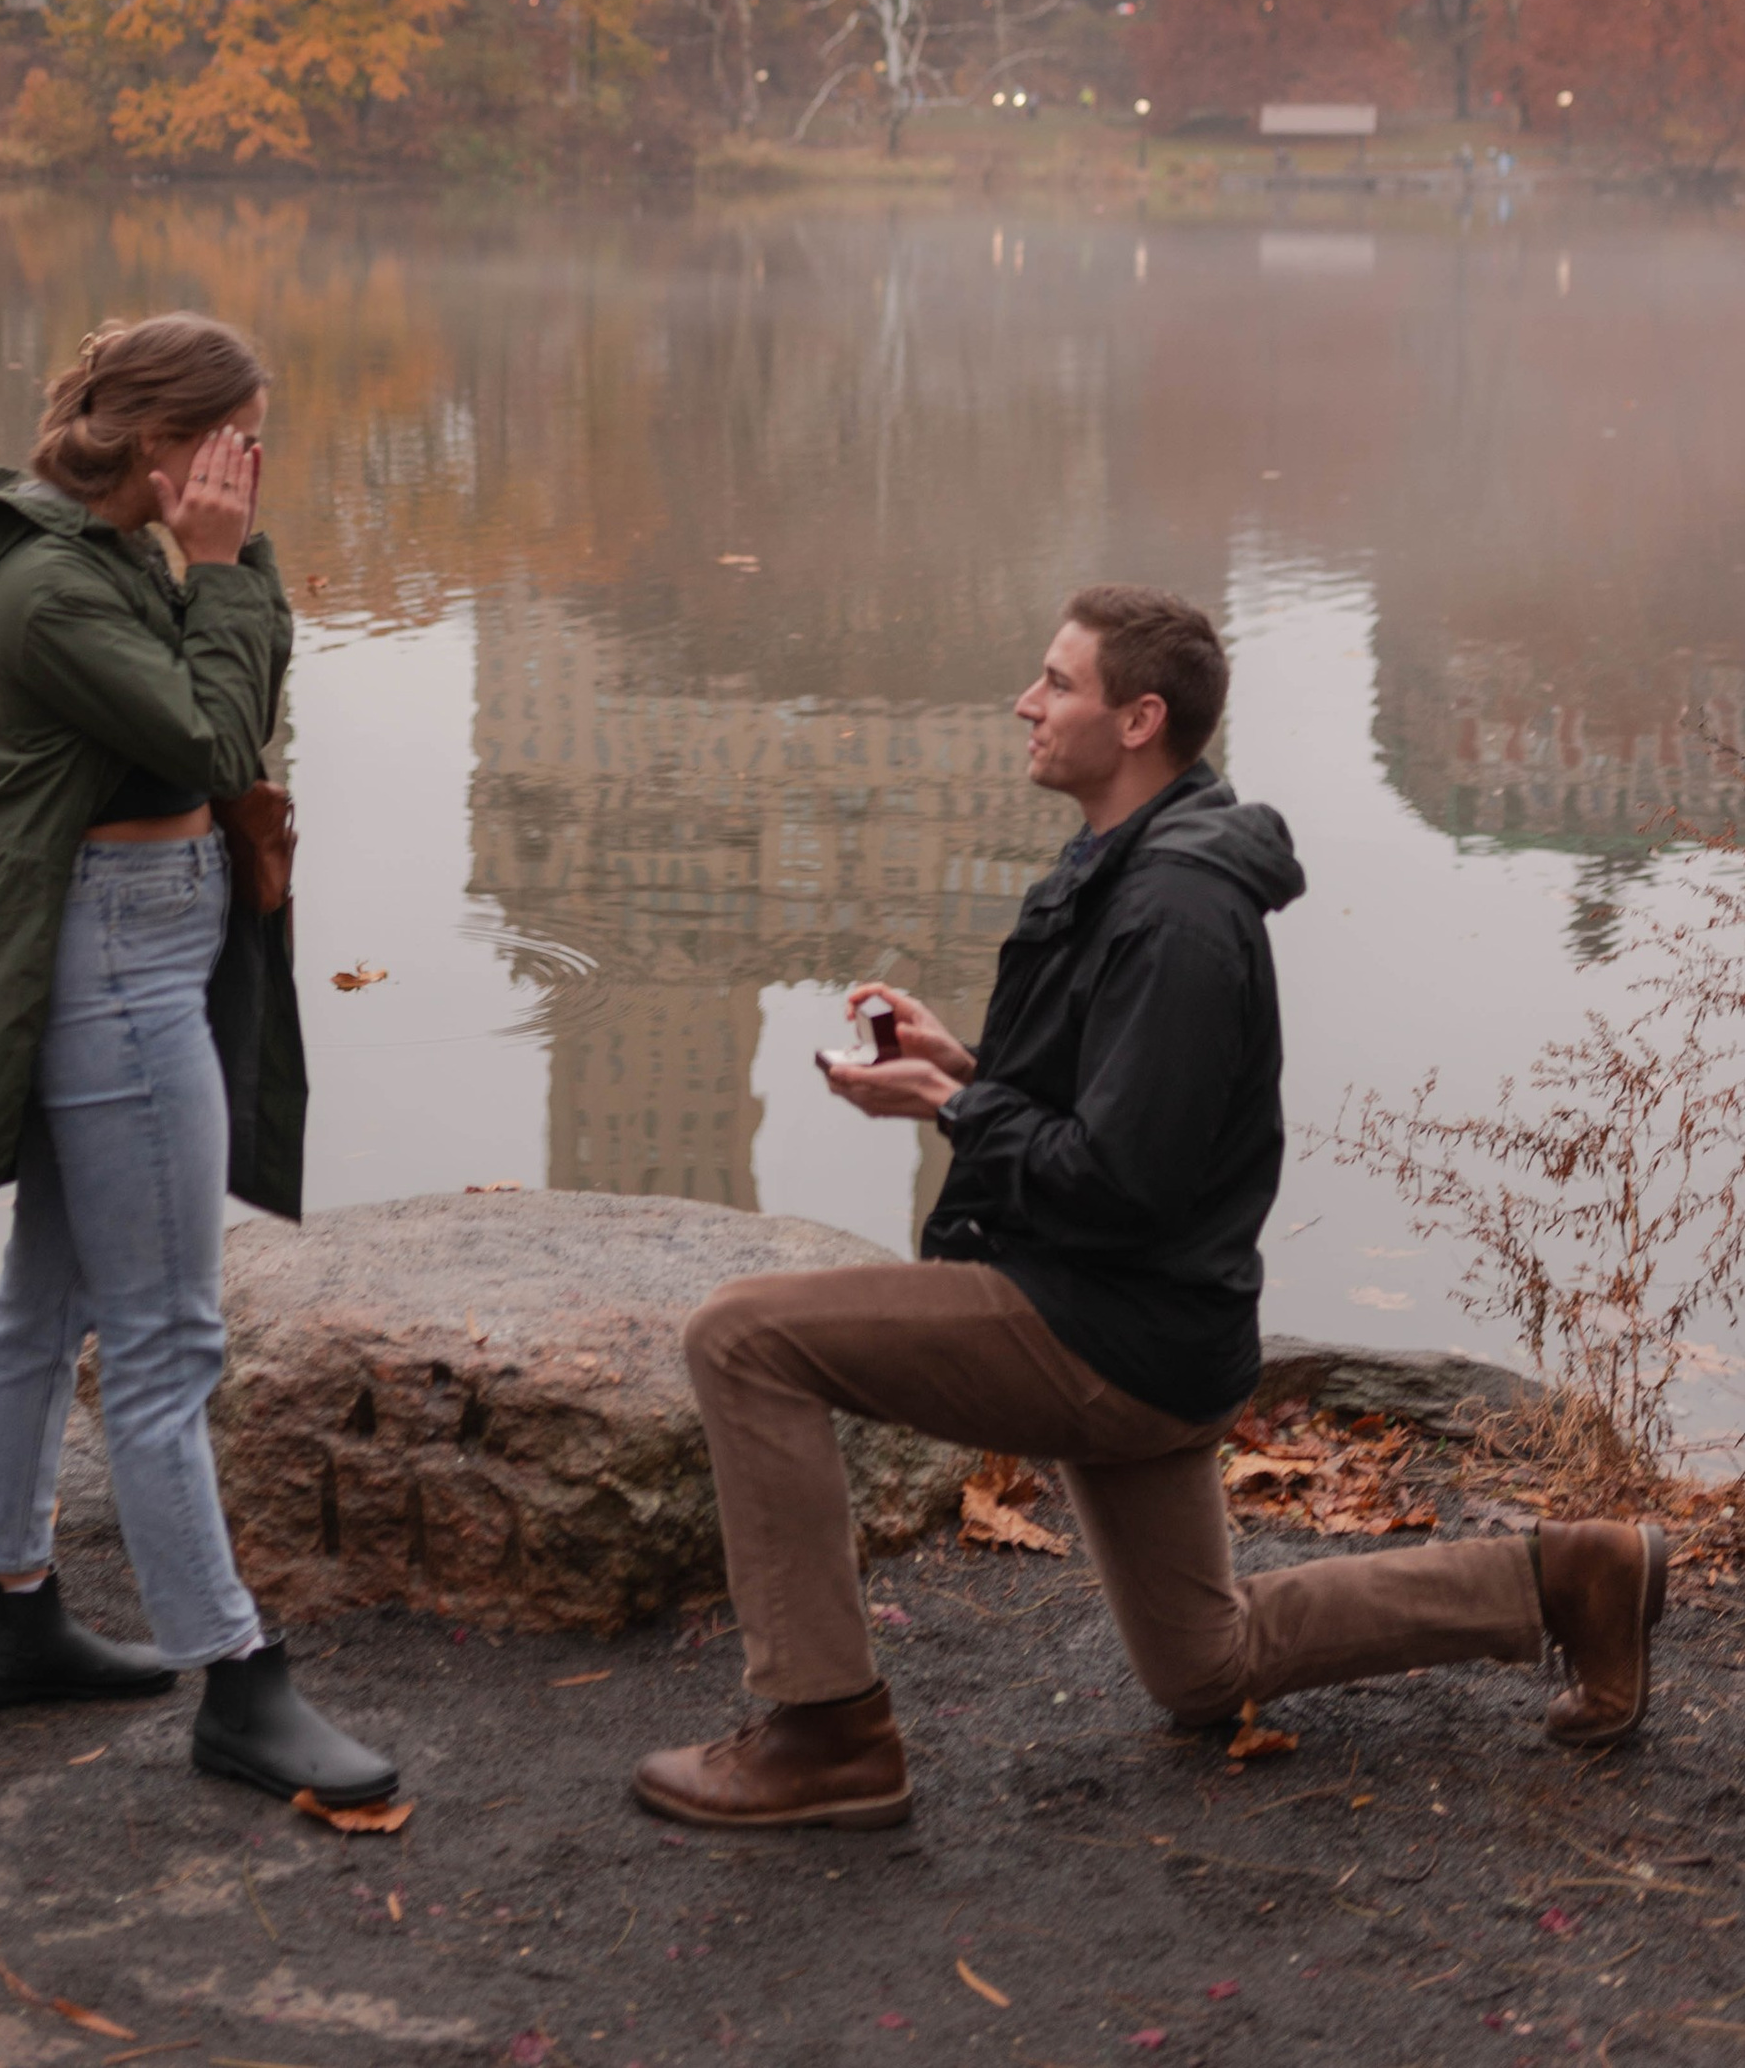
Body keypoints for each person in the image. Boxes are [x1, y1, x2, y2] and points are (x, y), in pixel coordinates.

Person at [635, 584, 1669, 1832]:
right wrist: (960, 1069)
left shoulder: (1178, 911)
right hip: (1151, 1318)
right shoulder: (1141, 865)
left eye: (1056, 683)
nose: (1027, 702)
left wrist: (955, 1114)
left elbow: (1123, 1182)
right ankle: (1574, 1576)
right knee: (1204, 1669)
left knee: (742, 1337)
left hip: (1107, 1328)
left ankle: (825, 1734)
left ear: (1138, 718)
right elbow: (1113, 1117)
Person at [0, 312, 396, 1809]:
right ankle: (236, 1681)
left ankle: (13, 1613)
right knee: (168, 1340)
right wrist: (223, 570)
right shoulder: (51, 584)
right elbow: (218, 737)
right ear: (166, 444)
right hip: (110, 961)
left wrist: (231, 560)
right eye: (240, 438)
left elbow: (235, 698)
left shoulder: (115, 557)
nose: (255, 464)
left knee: (48, 1289)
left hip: (140, 938)